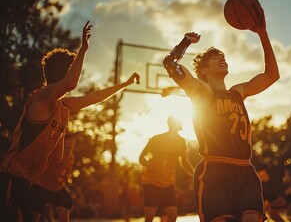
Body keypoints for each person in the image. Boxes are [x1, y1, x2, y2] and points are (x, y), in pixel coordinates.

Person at [0, 21, 140, 222]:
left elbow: (95, 97)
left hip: (26, 181)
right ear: (66, 72)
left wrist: (125, 84)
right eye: (73, 69)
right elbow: (71, 83)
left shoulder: (63, 107)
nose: (77, 74)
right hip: (11, 179)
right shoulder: (41, 97)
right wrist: (83, 49)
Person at [160, 7, 279, 222]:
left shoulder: (238, 92)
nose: (222, 58)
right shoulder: (201, 91)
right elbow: (170, 63)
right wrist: (185, 42)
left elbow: (272, 74)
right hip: (215, 170)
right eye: (216, 58)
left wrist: (262, 33)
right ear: (204, 71)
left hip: (245, 170)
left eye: (223, 56)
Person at [139, 115, 194, 222]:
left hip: (168, 183)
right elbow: (141, 158)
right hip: (151, 182)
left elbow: (184, 162)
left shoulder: (181, 142)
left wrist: (195, 174)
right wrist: (148, 165)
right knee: (150, 217)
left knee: (173, 216)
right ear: (172, 124)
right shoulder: (156, 139)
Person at [32, 133, 75, 222]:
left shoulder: (71, 157)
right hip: (41, 185)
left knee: (67, 203)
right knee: (35, 214)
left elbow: (68, 173)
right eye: (67, 146)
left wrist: (65, 179)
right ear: (63, 144)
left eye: (71, 147)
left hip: (57, 188)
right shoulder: (53, 152)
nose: (69, 149)